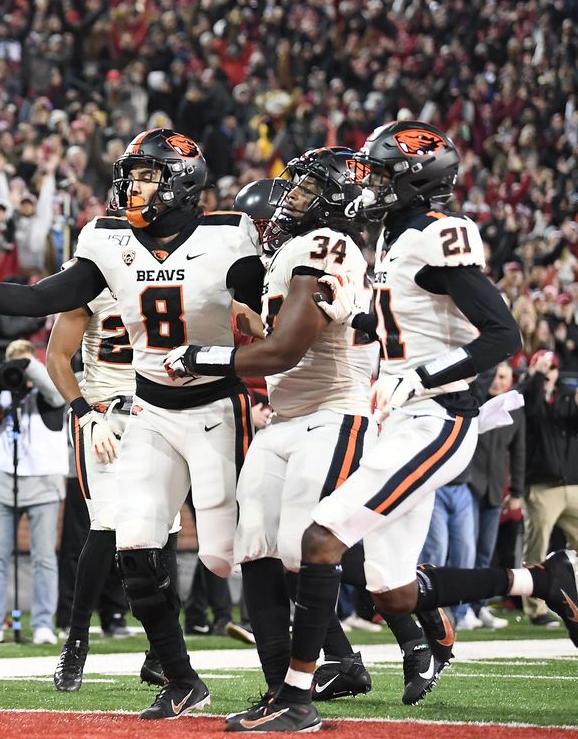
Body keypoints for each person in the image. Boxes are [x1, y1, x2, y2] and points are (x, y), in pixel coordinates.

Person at [225, 121, 578, 732]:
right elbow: (399, 320)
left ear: (417, 180)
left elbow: (503, 335)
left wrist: (418, 378)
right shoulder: (390, 239)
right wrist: (361, 327)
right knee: (392, 591)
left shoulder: (438, 235)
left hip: (438, 415)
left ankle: (298, 698)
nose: (370, 182)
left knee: (320, 539)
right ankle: (547, 578)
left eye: (382, 172)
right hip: (399, 417)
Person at [0, 128, 265, 720]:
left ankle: (310, 668)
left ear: (183, 184)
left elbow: (268, 314)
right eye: (131, 174)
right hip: (148, 407)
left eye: (147, 176)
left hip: (216, 406)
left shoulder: (230, 234)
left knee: (241, 549)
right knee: (131, 542)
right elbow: (38, 299)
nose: (133, 186)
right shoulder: (108, 241)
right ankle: (179, 676)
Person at [167, 147, 446, 707]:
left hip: (334, 413)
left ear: (337, 198)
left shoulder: (329, 245)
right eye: (289, 187)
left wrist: (205, 357)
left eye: (302, 189)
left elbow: (286, 350)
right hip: (285, 419)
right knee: (256, 549)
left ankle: (323, 681)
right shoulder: (286, 255)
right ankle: (280, 688)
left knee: (306, 548)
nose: (286, 199)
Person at [45, 271, 141, 690]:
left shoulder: (176, 268)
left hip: (156, 414)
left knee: (167, 528)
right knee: (106, 522)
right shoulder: (93, 275)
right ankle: (76, 641)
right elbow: (56, 357)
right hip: (103, 412)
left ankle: (162, 649)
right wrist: (86, 415)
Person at [0, 340, 67, 646]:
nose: (20, 372)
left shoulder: (50, 390)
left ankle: (42, 624)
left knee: (44, 558)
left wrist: (30, 366)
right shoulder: (4, 393)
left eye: (25, 364)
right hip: (3, 480)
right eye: (15, 365)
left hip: (44, 482)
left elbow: (54, 394)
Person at [519, 350, 578, 626]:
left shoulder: (568, 397)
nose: (549, 372)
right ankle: (536, 609)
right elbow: (524, 403)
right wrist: (535, 378)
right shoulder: (527, 394)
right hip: (542, 485)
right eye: (543, 367)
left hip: (572, 483)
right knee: (536, 548)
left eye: (552, 367)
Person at [464, 363, 523, 629]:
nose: (498, 382)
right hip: (471, 484)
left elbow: (520, 452)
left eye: (504, 377)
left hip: (495, 488)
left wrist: (518, 491)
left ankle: (480, 606)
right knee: (465, 550)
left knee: (485, 552)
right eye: (496, 376)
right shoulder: (476, 404)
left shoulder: (516, 410)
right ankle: (461, 607)